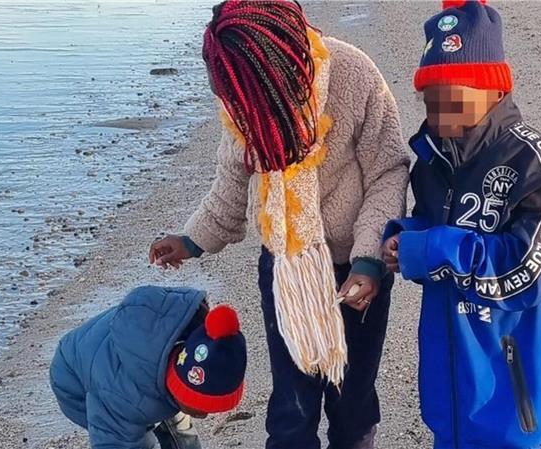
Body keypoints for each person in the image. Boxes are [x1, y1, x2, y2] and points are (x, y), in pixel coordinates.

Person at [148, 1, 410, 448]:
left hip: (355, 271)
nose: (237, 108)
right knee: (292, 406)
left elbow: (389, 171)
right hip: (286, 271)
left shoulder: (353, 74)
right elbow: (232, 176)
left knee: (352, 402)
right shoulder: (244, 98)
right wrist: (193, 238)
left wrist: (370, 259)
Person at [381, 1, 541, 448]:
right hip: (456, 403)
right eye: (430, 97)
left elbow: (523, 275)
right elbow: (437, 227)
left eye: (453, 95)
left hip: (527, 413)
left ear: (493, 90)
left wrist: (428, 249)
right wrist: (406, 235)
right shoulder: (434, 162)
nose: (439, 111)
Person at [49, 286, 246, 449]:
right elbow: (111, 441)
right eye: (202, 406)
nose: (205, 415)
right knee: (136, 440)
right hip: (73, 382)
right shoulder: (124, 401)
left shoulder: (192, 346)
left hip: (143, 369)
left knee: (179, 429)